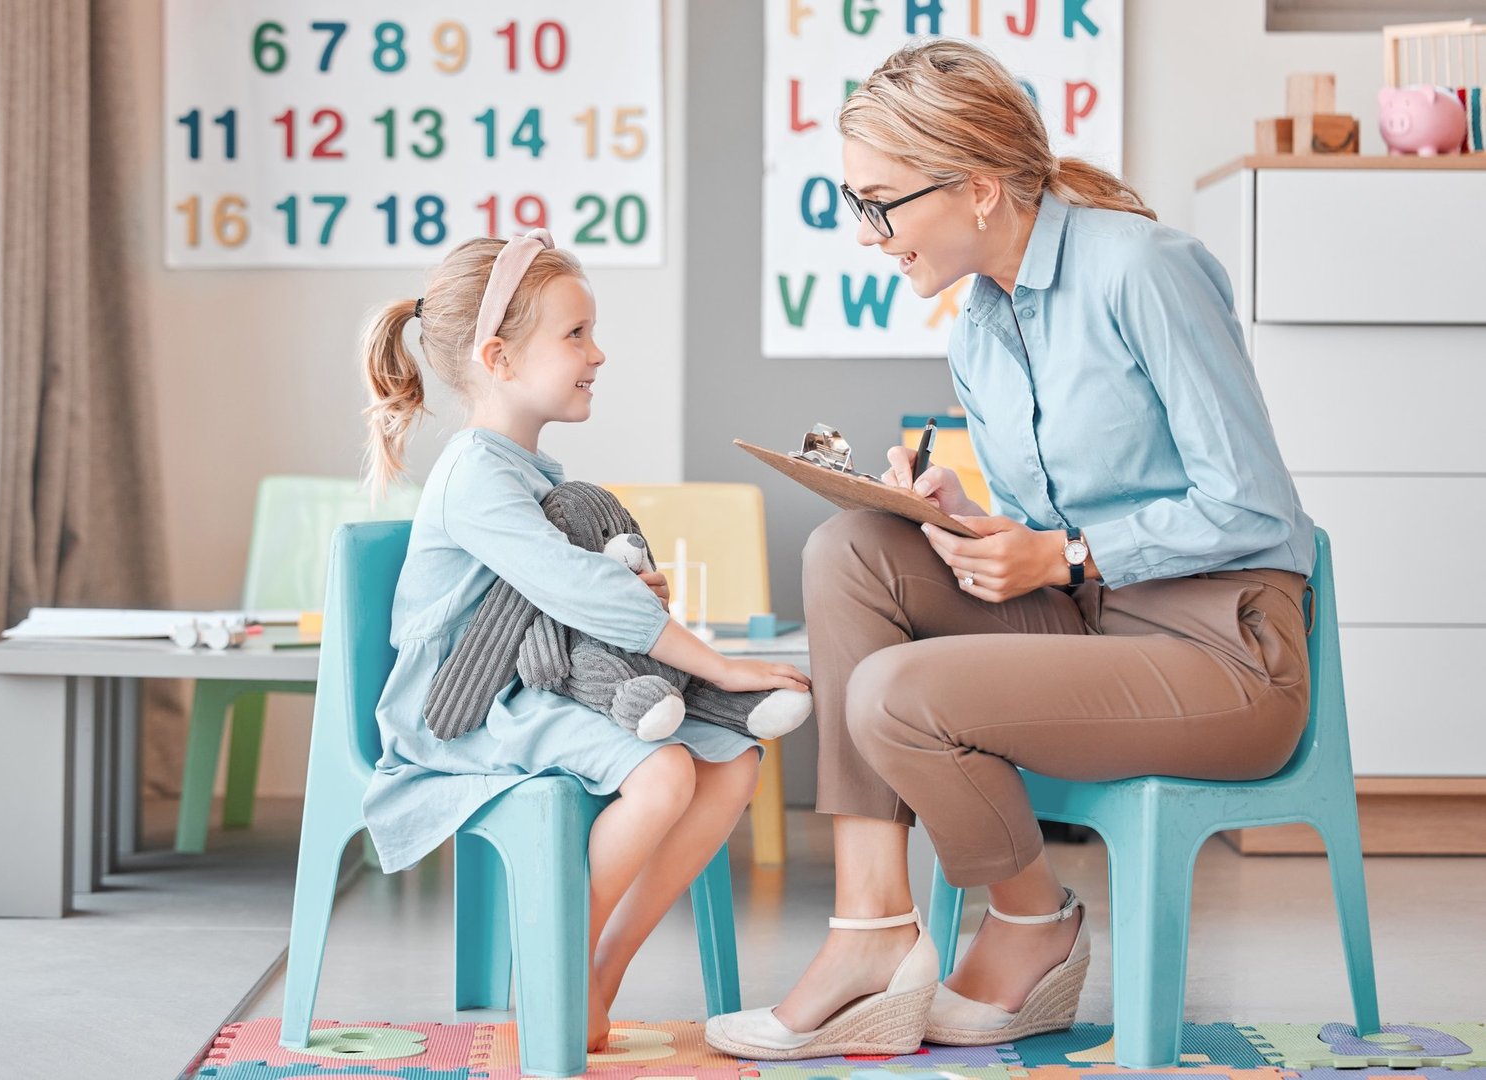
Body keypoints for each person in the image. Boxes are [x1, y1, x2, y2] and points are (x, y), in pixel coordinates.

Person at [705, 39, 1314, 1059]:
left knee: (895, 691)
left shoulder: (1144, 270)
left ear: (979, 189)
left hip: (1223, 654)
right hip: (1093, 630)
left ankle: (1034, 922)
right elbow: (1042, 534)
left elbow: (1253, 509)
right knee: (850, 547)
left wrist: (1065, 556)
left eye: (880, 203)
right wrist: (963, 523)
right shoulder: (980, 327)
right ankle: (870, 929)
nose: (867, 235)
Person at [358, 230, 811, 1050]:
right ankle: (559, 967)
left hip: (533, 693)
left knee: (732, 759)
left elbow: (566, 594)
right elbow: (573, 590)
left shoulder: (537, 475)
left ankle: (600, 971)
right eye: (575, 336)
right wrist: (714, 663)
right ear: (498, 357)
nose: (597, 354)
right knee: (665, 768)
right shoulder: (474, 476)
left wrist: (637, 593)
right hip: (466, 709)